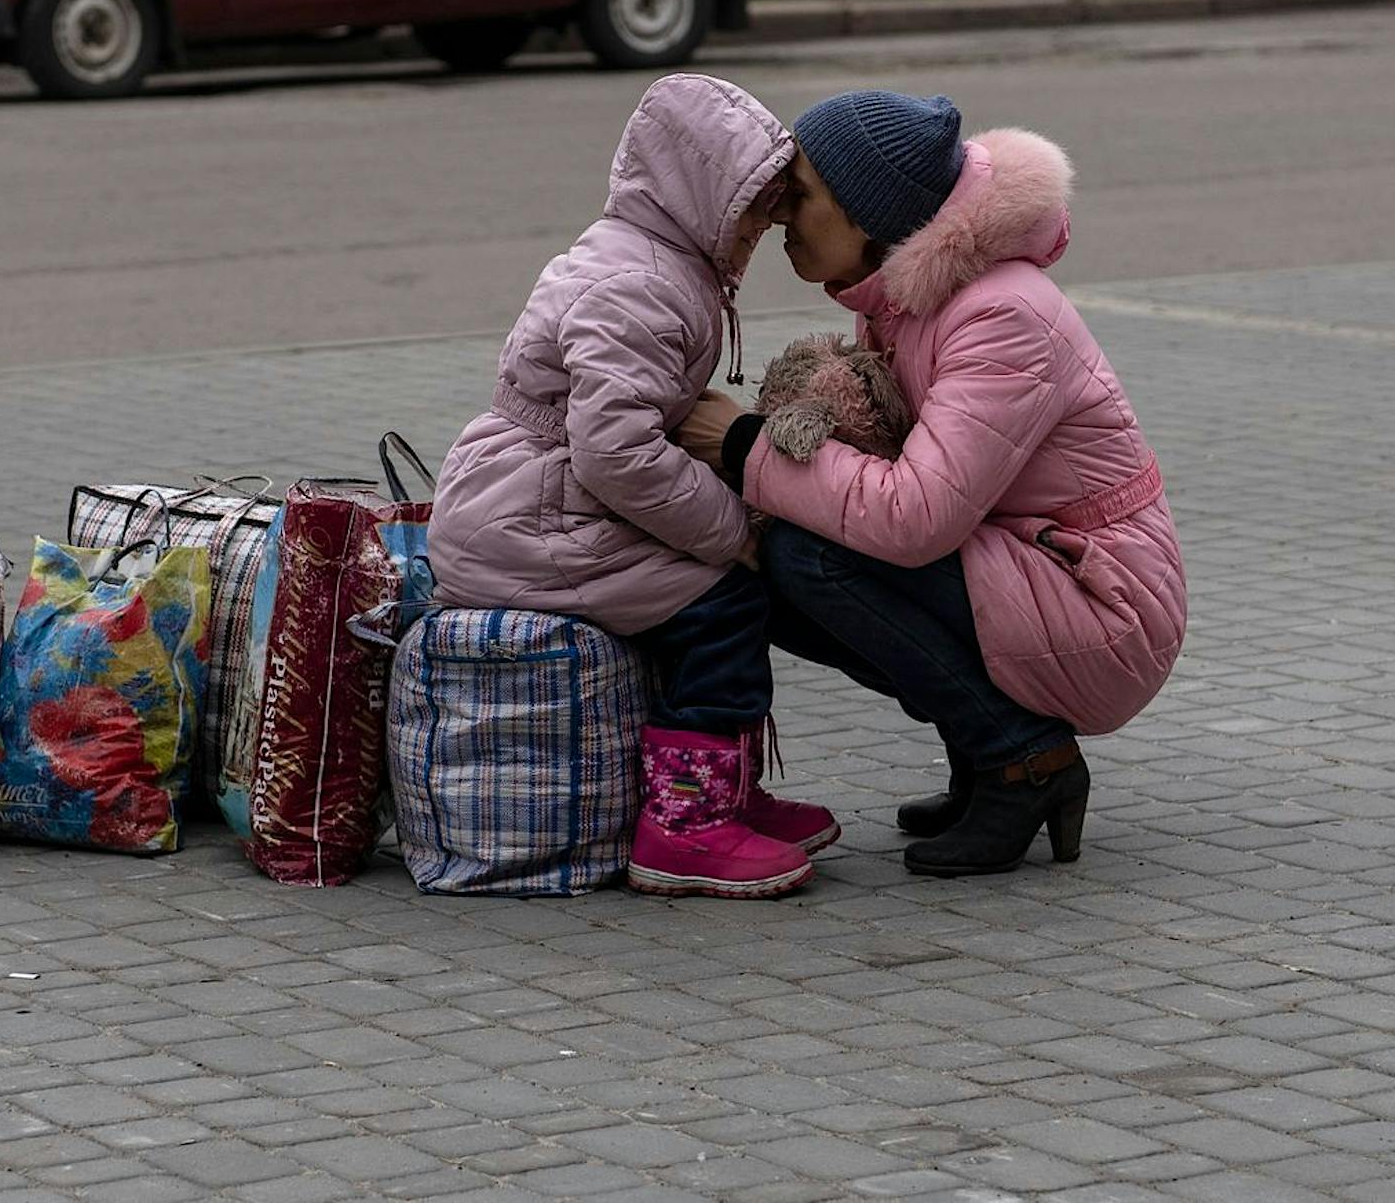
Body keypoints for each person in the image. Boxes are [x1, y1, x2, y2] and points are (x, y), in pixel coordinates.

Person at [680, 89, 1187, 878]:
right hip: (1036, 564)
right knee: (774, 568)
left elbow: (917, 518)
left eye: (803, 194)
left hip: (1106, 601)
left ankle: (1024, 761)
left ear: (868, 212)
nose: (782, 215)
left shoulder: (1000, 315)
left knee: (813, 560)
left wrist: (745, 446)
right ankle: (981, 746)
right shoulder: (909, 299)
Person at [428, 73, 837, 899]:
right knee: (723, 602)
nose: (763, 230)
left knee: (707, 598)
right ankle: (688, 826)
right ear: (701, 199)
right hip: (531, 517)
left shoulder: (651, 257)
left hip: (537, 501)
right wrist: (734, 528)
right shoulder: (641, 287)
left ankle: (723, 790)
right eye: (751, 209)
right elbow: (616, 455)